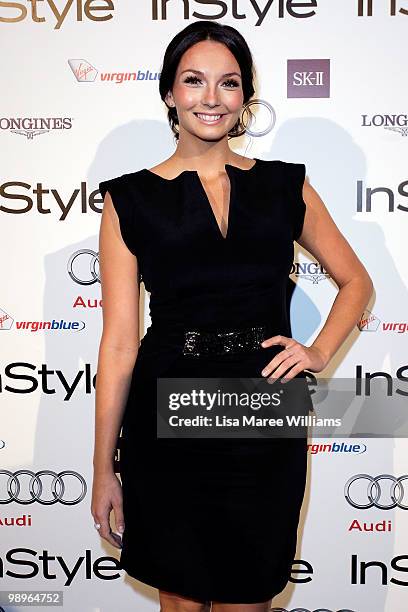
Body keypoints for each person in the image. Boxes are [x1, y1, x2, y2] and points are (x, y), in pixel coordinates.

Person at [91, 20, 373, 612]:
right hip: (168, 405)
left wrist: (318, 352)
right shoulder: (127, 199)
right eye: (194, 81)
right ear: (170, 92)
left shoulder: (284, 186)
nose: (211, 98)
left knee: (251, 593)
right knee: (181, 598)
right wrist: (102, 467)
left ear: (245, 97)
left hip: (264, 404)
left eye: (229, 83)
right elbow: (119, 344)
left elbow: (356, 282)